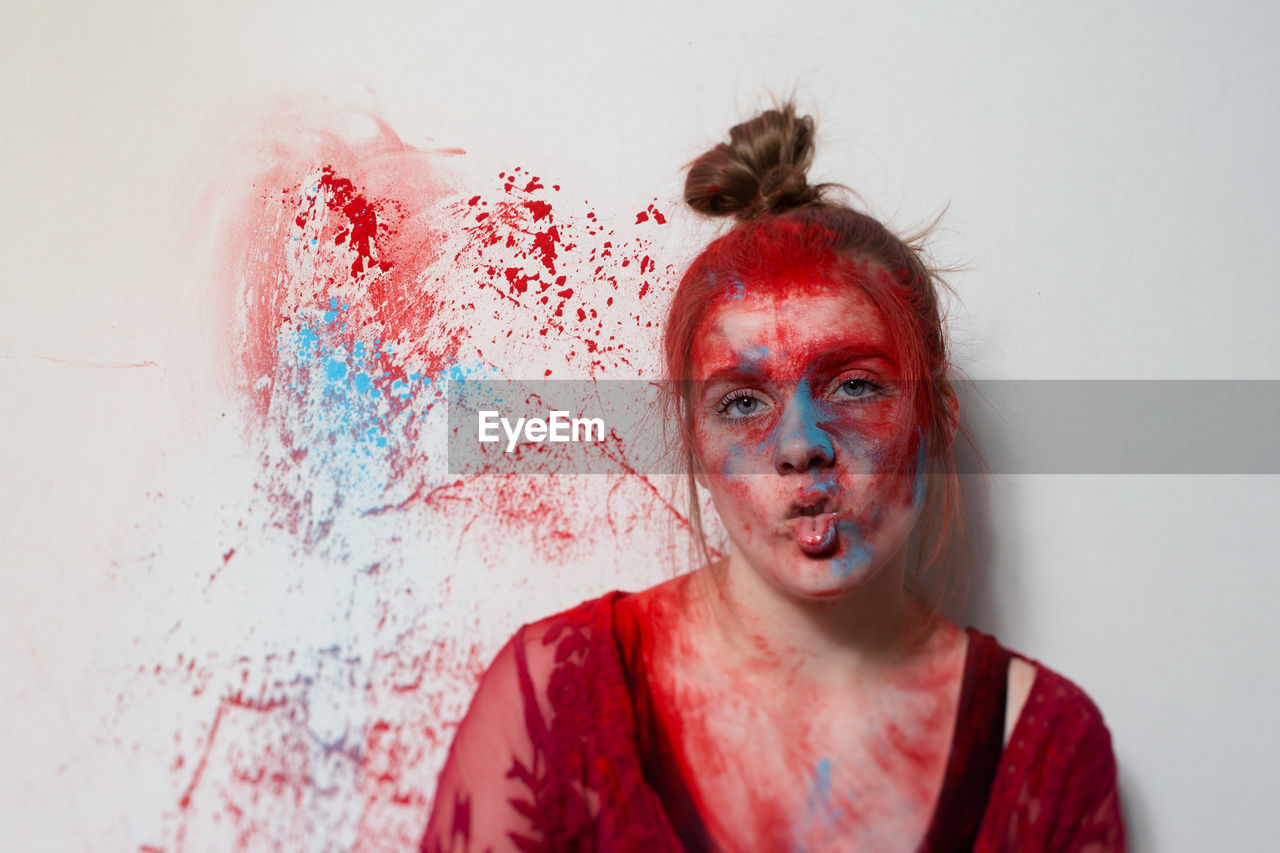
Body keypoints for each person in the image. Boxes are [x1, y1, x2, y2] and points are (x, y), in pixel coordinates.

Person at [421, 103, 1126, 852]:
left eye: (854, 385)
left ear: (938, 415)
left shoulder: (1044, 749)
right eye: (744, 402)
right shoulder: (552, 702)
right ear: (694, 439)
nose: (800, 446)